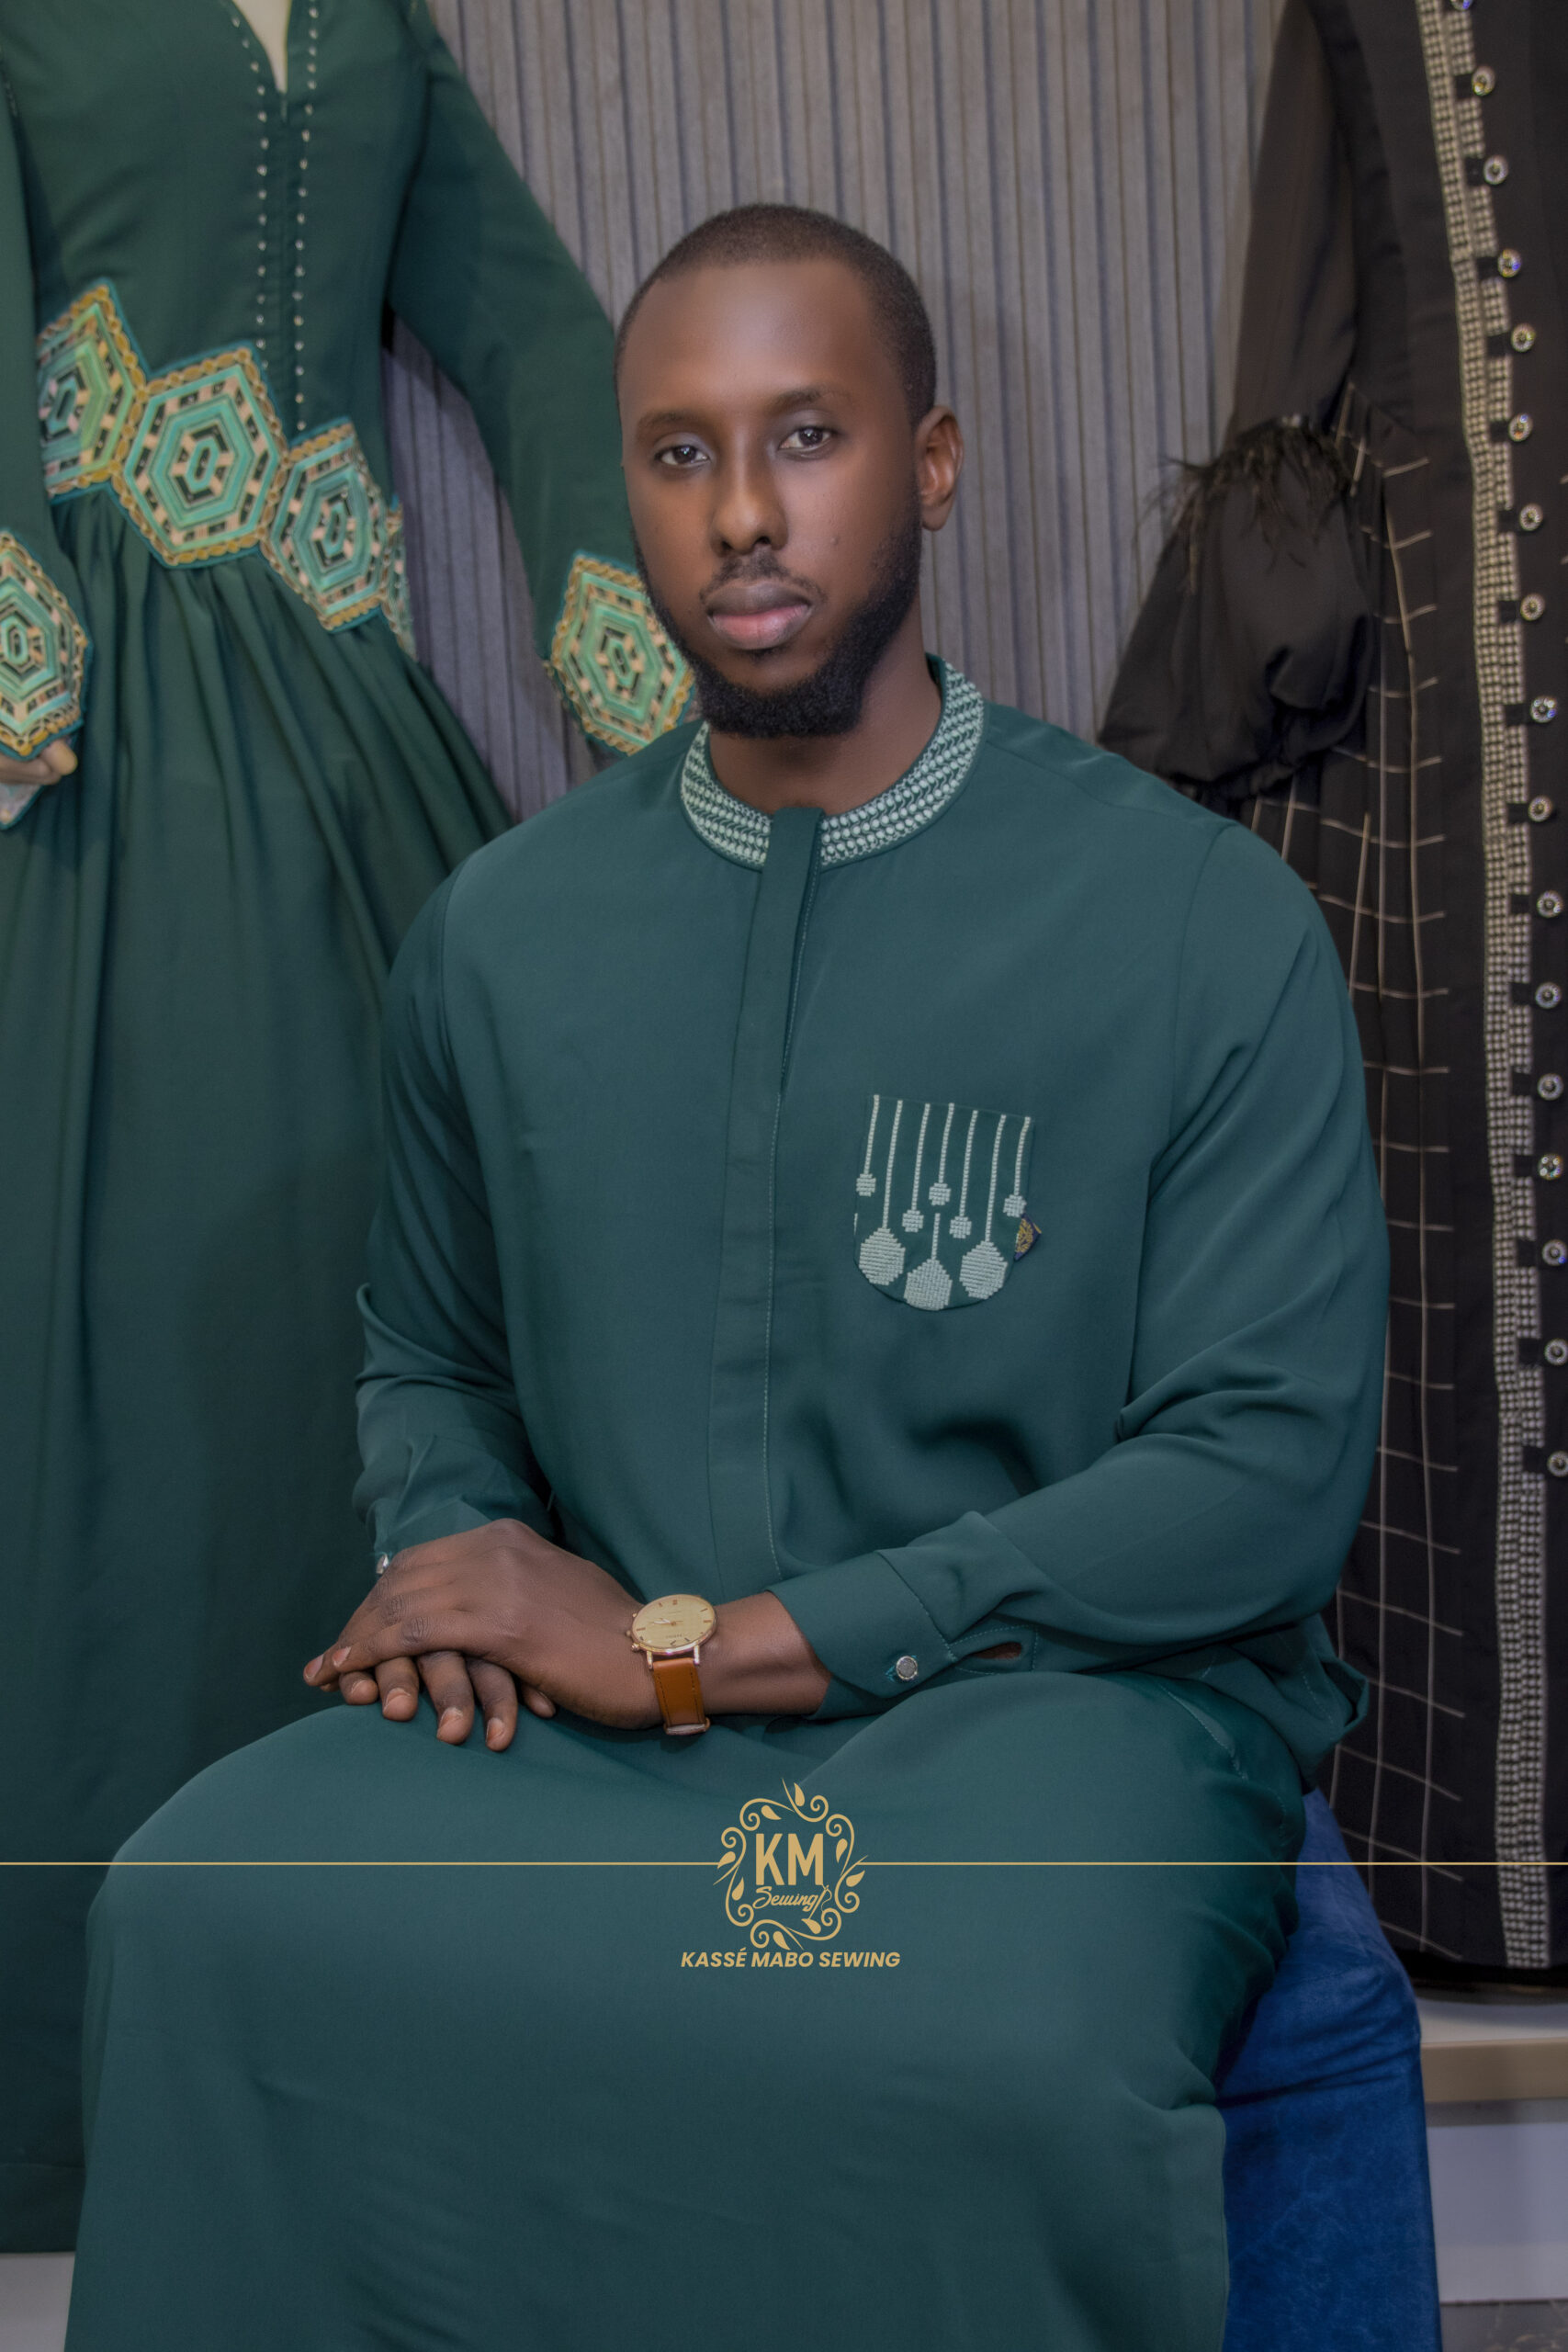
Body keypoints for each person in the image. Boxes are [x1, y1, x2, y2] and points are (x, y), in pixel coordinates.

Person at [62, 205, 1387, 2352]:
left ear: (930, 462)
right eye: (677, 454)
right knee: (200, 1902)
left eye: (805, 435)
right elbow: (428, 1349)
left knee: (982, 2043)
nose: (742, 513)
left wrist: (688, 1651)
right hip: (595, 1724)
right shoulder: (500, 938)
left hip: (1061, 1715)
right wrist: (466, 1564)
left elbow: (1252, 1478)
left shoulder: (1193, 920)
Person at [0, 0, 688, 2250]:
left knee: (424, 1326)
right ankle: (82, 2079)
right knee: (125, 1377)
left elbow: (531, 323)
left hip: (349, 723)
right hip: (89, 757)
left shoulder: (379, 17)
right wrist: (13, 636)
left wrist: (643, 657)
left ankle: (388, 2065)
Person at [1101, 0, 1568, 1976]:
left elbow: (1299, 329)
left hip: (1461, 675)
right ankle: (1469, 1859)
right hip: (1453, 696)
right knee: (1433, 1251)